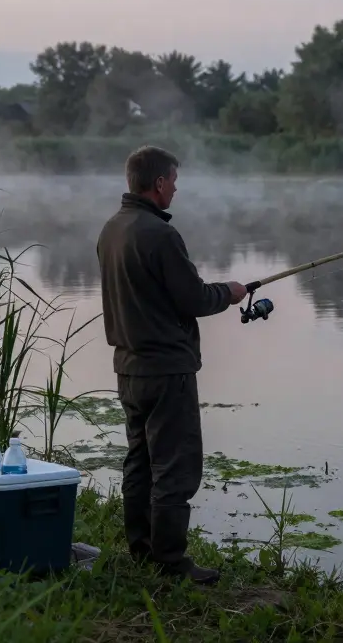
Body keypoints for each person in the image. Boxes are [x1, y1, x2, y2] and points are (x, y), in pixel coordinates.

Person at [96, 145, 247, 585]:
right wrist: (230, 292)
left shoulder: (111, 229)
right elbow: (193, 299)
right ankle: (170, 562)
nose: (176, 189)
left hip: (128, 368)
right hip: (166, 371)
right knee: (174, 468)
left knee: (140, 462)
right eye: (174, 181)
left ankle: (142, 551)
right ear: (159, 182)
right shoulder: (160, 235)